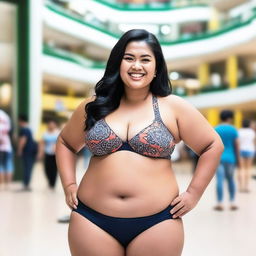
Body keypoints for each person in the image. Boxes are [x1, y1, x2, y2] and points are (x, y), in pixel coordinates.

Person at [56, 29, 223, 256]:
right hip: (91, 220)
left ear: (156, 67)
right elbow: (65, 143)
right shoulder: (93, 106)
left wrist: (193, 194)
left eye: (145, 59)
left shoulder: (173, 107)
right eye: (129, 58)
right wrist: (69, 185)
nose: (137, 66)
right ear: (118, 63)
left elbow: (212, 145)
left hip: (157, 222)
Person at [214, 110, 240, 211]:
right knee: (230, 179)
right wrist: (238, 160)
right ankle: (232, 202)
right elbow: (237, 145)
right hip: (230, 158)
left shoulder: (216, 129)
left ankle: (220, 203)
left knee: (219, 180)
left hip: (218, 158)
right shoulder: (233, 129)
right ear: (230, 118)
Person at [38, 119, 60, 189]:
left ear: (55, 125)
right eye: (50, 124)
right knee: (47, 168)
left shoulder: (58, 133)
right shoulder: (45, 133)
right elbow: (42, 143)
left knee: (54, 168)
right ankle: (49, 180)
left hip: (55, 154)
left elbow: (61, 143)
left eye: (52, 124)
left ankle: (52, 183)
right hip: (47, 153)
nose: (51, 126)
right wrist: (40, 153)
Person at [17, 114, 38, 191]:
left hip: (27, 151)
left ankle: (26, 185)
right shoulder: (29, 128)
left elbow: (23, 140)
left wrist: (19, 150)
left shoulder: (24, 129)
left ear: (20, 120)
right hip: (31, 151)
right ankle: (27, 184)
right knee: (28, 167)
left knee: (26, 168)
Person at [238, 119, 255, 192]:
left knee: (241, 168)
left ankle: (241, 187)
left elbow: (237, 142)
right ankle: (246, 187)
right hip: (250, 150)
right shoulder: (252, 132)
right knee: (248, 169)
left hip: (241, 150)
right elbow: (254, 142)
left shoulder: (239, 131)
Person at [0, 109, 13, 190]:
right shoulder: (5, 115)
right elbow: (9, 129)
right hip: (7, 146)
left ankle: (1, 184)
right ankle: (8, 184)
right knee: (8, 165)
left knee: (0, 165)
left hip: (1, 147)